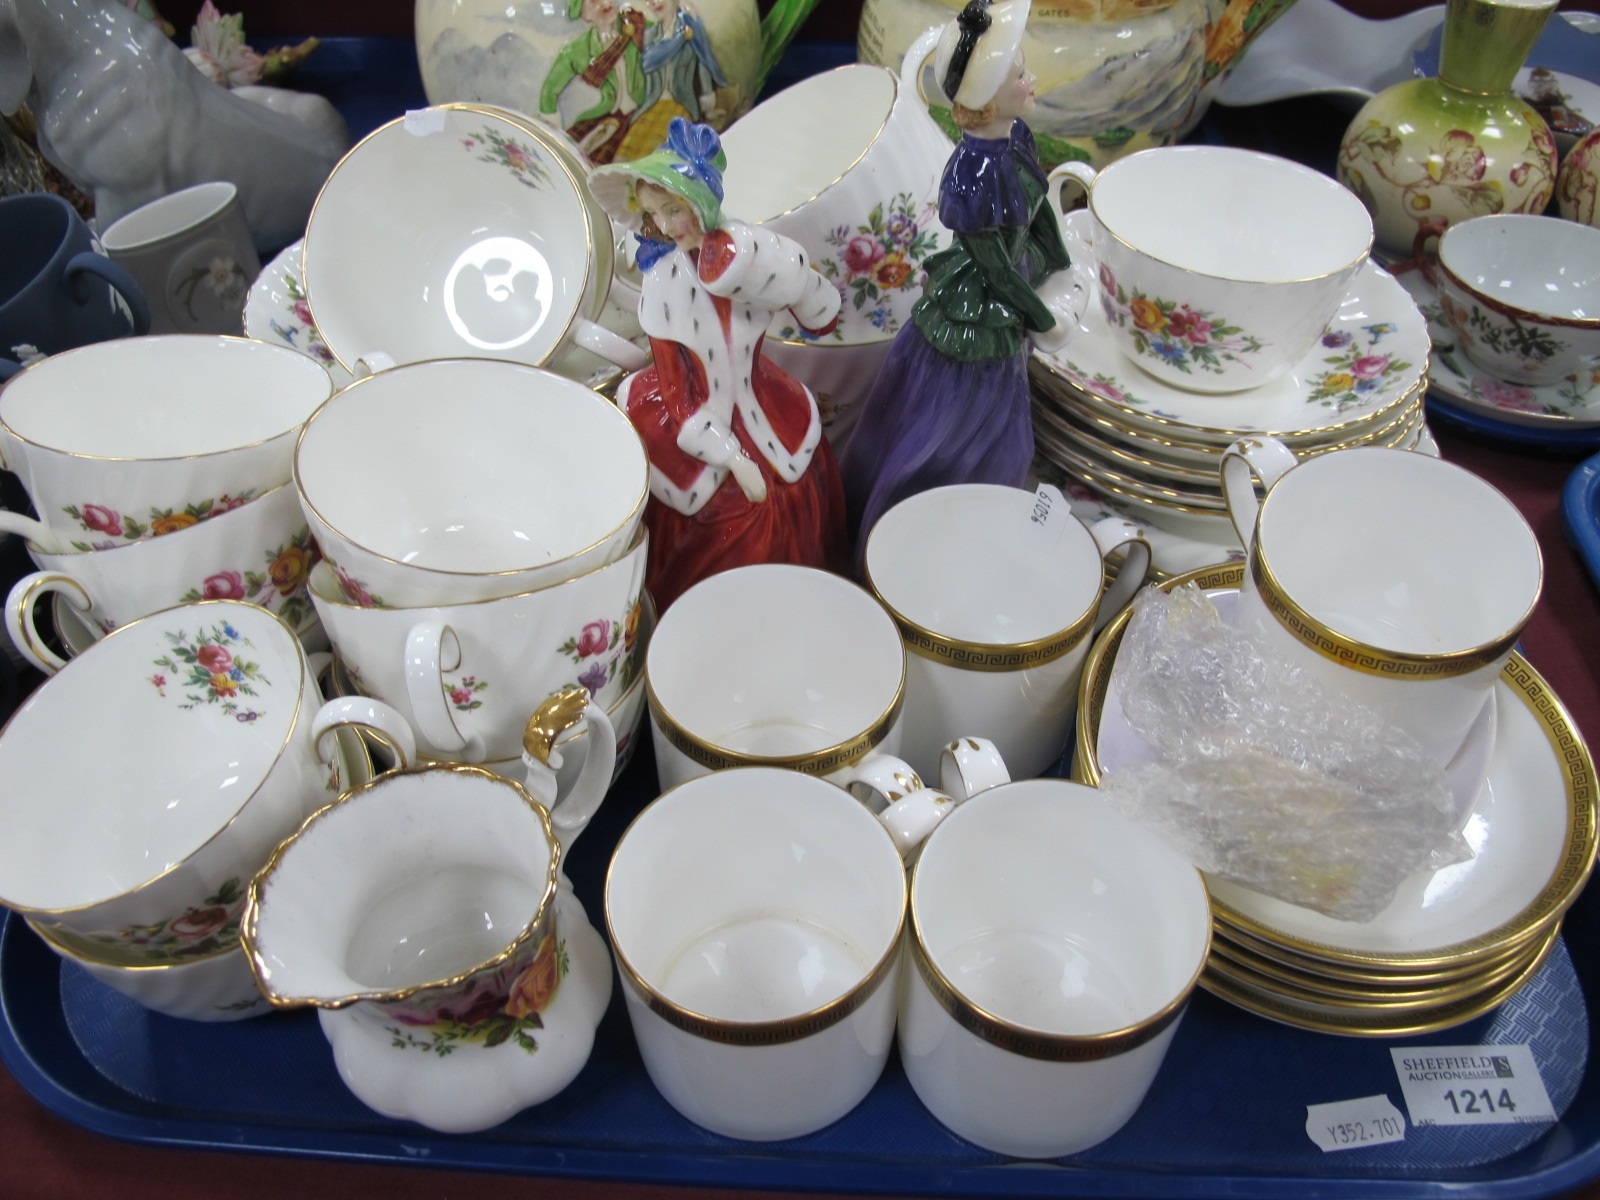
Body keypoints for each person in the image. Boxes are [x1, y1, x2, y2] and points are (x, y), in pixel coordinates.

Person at [838, 0, 1078, 551]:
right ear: (987, 100)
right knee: (954, 436)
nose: (1031, 81)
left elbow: (1040, 210)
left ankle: (979, 530)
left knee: (1008, 436)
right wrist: (1041, 317)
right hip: (976, 310)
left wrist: (1060, 265)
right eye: (1019, 76)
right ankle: (919, 537)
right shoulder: (970, 176)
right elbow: (994, 268)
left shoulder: (1018, 136)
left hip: (1010, 298)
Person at [589, 118, 848, 610]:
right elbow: (678, 397)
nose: (666, 226)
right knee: (736, 515)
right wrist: (732, 458)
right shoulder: (664, 285)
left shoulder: (746, 255)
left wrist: (794, 280)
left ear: (700, 203)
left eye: (673, 210)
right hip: (691, 419)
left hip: (761, 400)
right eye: (654, 214)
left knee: (798, 492)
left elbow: (821, 315)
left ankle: (806, 611)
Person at [539, 0, 648, 165]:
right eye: (593, 1)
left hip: (639, 111)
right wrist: (553, 130)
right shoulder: (578, 49)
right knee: (573, 155)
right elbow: (549, 91)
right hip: (605, 114)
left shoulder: (634, 25)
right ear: (583, 14)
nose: (605, 3)